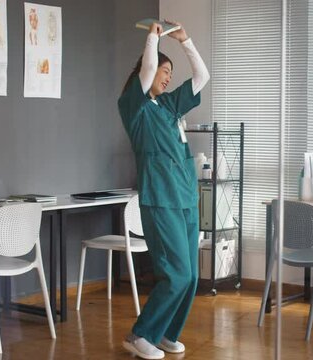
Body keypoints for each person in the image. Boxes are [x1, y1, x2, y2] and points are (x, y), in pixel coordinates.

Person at [117, 20, 210, 360]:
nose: (167, 76)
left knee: (191, 277)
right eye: (163, 71)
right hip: (161, 200)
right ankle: (140, 334)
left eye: (170, 73)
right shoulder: (134, 107)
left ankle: (166, 332)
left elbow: (201, 78)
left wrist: (186, 41)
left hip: (185, 199)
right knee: (177, 274)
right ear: (147, 70)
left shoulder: (170, 107)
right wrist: (153, 38)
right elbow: (150, 66)